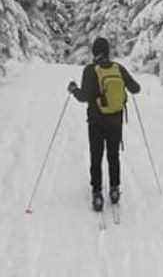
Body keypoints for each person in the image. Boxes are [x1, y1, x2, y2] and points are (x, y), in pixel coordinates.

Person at [67, 36, 141, 211]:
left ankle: (97, 193)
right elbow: (136, 88)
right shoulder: (118, 68)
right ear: (108, 51)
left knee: (96, 156)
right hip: (115, 121)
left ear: (94, 53)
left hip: (96, 122)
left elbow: (84, 97)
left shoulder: (90, 70)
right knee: (113, 156)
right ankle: (114, 190)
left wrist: (73, 89)